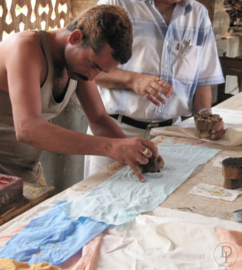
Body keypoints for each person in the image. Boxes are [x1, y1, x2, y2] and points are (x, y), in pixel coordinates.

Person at [0, 5, 162, 185]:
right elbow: (27, 129)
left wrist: (137, 154)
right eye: (93, 65)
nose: (92, 76)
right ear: (75, 37)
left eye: (101, 71)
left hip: (26, 173)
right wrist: (111, 147)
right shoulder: (25, 47)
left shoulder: (80, 64)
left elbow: (99, 118)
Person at [84, 0, 226, 178]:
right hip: (115, 130)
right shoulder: (117, 3)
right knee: (103, 201)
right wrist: (133, 80)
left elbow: (203, 81)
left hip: (171, 135)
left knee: (161, 202)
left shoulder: (199, 14)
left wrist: (206, 117)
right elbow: (87, 67)